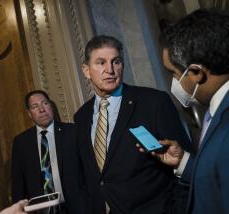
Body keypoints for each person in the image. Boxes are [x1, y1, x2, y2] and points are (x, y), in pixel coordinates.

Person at [73, 35, 192, 214]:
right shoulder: (81, 116)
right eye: (100, 63)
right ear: (86, 70)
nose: (110, 70)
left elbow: (187, 163)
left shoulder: (154, 102)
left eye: (116, 62)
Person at [154, 9, 229, 214]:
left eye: (174, 73)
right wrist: (184, 162)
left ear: (196, 72)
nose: (174, 83)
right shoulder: (216, 111)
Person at [11, 90, 85, 214]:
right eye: (35, 107)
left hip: (75, 208)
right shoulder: (21, 142)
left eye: (44, 103)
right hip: (40, 211)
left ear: (51, 107)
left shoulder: (72, 132)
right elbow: (18, 185)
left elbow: (88, 172)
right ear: (29, 114)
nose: (41, 110)